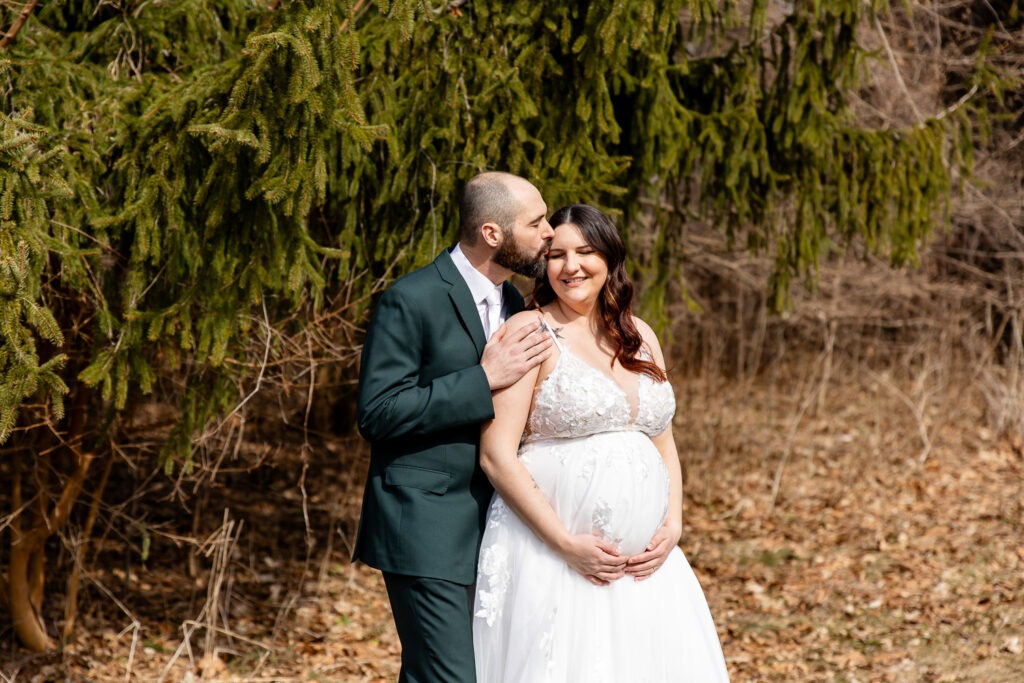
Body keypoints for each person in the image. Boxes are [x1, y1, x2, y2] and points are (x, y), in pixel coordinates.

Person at [472, 204, 730, 682]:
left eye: (585, 251)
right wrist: (565, 543)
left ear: (609, 257)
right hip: (554, 560)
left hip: (648, 572)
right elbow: (496, 456)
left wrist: (673, 523)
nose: (571, 266)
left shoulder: (639, 334)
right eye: (557, 255)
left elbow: (663, 442)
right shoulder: (530, 331)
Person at [352, 171, 556, 682]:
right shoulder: (412, 297)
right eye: (536, 222)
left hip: (497, 528)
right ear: (492, 233)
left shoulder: (515, 304)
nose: (549, 232)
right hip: (425, 524)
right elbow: (378, 412)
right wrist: (482, 379)